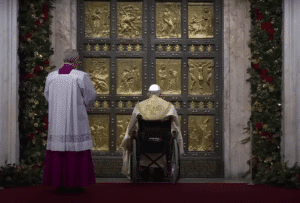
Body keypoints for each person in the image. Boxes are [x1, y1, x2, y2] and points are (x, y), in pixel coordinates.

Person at [42, 49, 97, 193]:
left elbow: (47, 95)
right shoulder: (80, 76)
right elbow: (91, 96)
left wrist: (57, 106)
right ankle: (76, 184)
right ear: (75, 61)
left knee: (58, 149)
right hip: (76, 121)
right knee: (76, 150)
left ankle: (59, 184)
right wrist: (83, 106)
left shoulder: (51, 77)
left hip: (57, 121)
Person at [120, 84, 184, 180]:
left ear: (148, 94)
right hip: (163, 143)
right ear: (160, 94)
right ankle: (160, 168)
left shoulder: (140, 106)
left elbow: (132, 125)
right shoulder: (169, 106)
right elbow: (177, 125)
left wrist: (128, 135)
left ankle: (143, 167)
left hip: (144, 143)